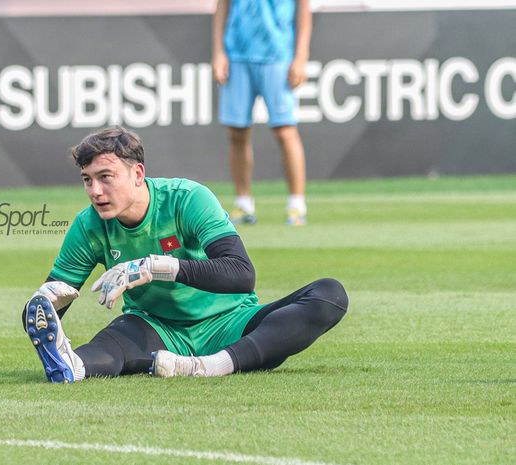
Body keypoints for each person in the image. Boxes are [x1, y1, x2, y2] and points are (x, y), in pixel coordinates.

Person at [23, 126, 347, 383]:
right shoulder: (88, 225)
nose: (95, 191)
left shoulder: (187, 199)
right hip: (158, 329)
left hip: (231, 323)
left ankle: (210, 365)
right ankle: (72, 367)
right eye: (87, 180)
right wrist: (44, 303)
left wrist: (156, 267)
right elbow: (42, 314)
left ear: (137, 174)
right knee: (108, 347)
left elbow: (241, 274)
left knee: (329, 294)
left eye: (105, 177)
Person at [212, 0, 312, 225]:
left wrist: (301, 57)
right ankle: (243, 203)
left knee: (285, 130)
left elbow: (304, 12)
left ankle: (297, 205)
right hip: (237, 55)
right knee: (237, 132)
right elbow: (222, 8)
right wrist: (219, 52)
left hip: (277, 55)